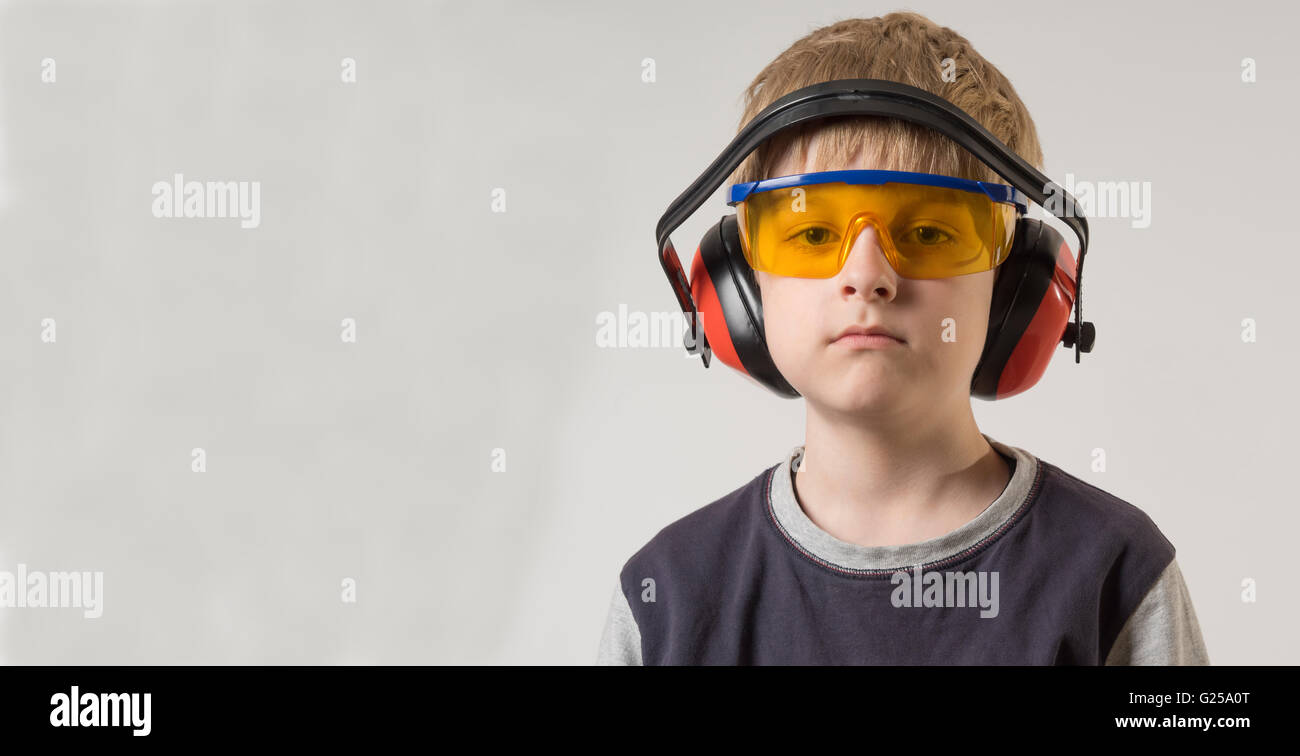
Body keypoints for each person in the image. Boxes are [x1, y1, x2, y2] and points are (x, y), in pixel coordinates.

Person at [598, 12, 1208, 665]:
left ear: (1016, 288)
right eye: (812, 232)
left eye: (929, 233)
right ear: (739, 284)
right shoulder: (670, 597)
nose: (867, 276)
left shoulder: (1115, 577)